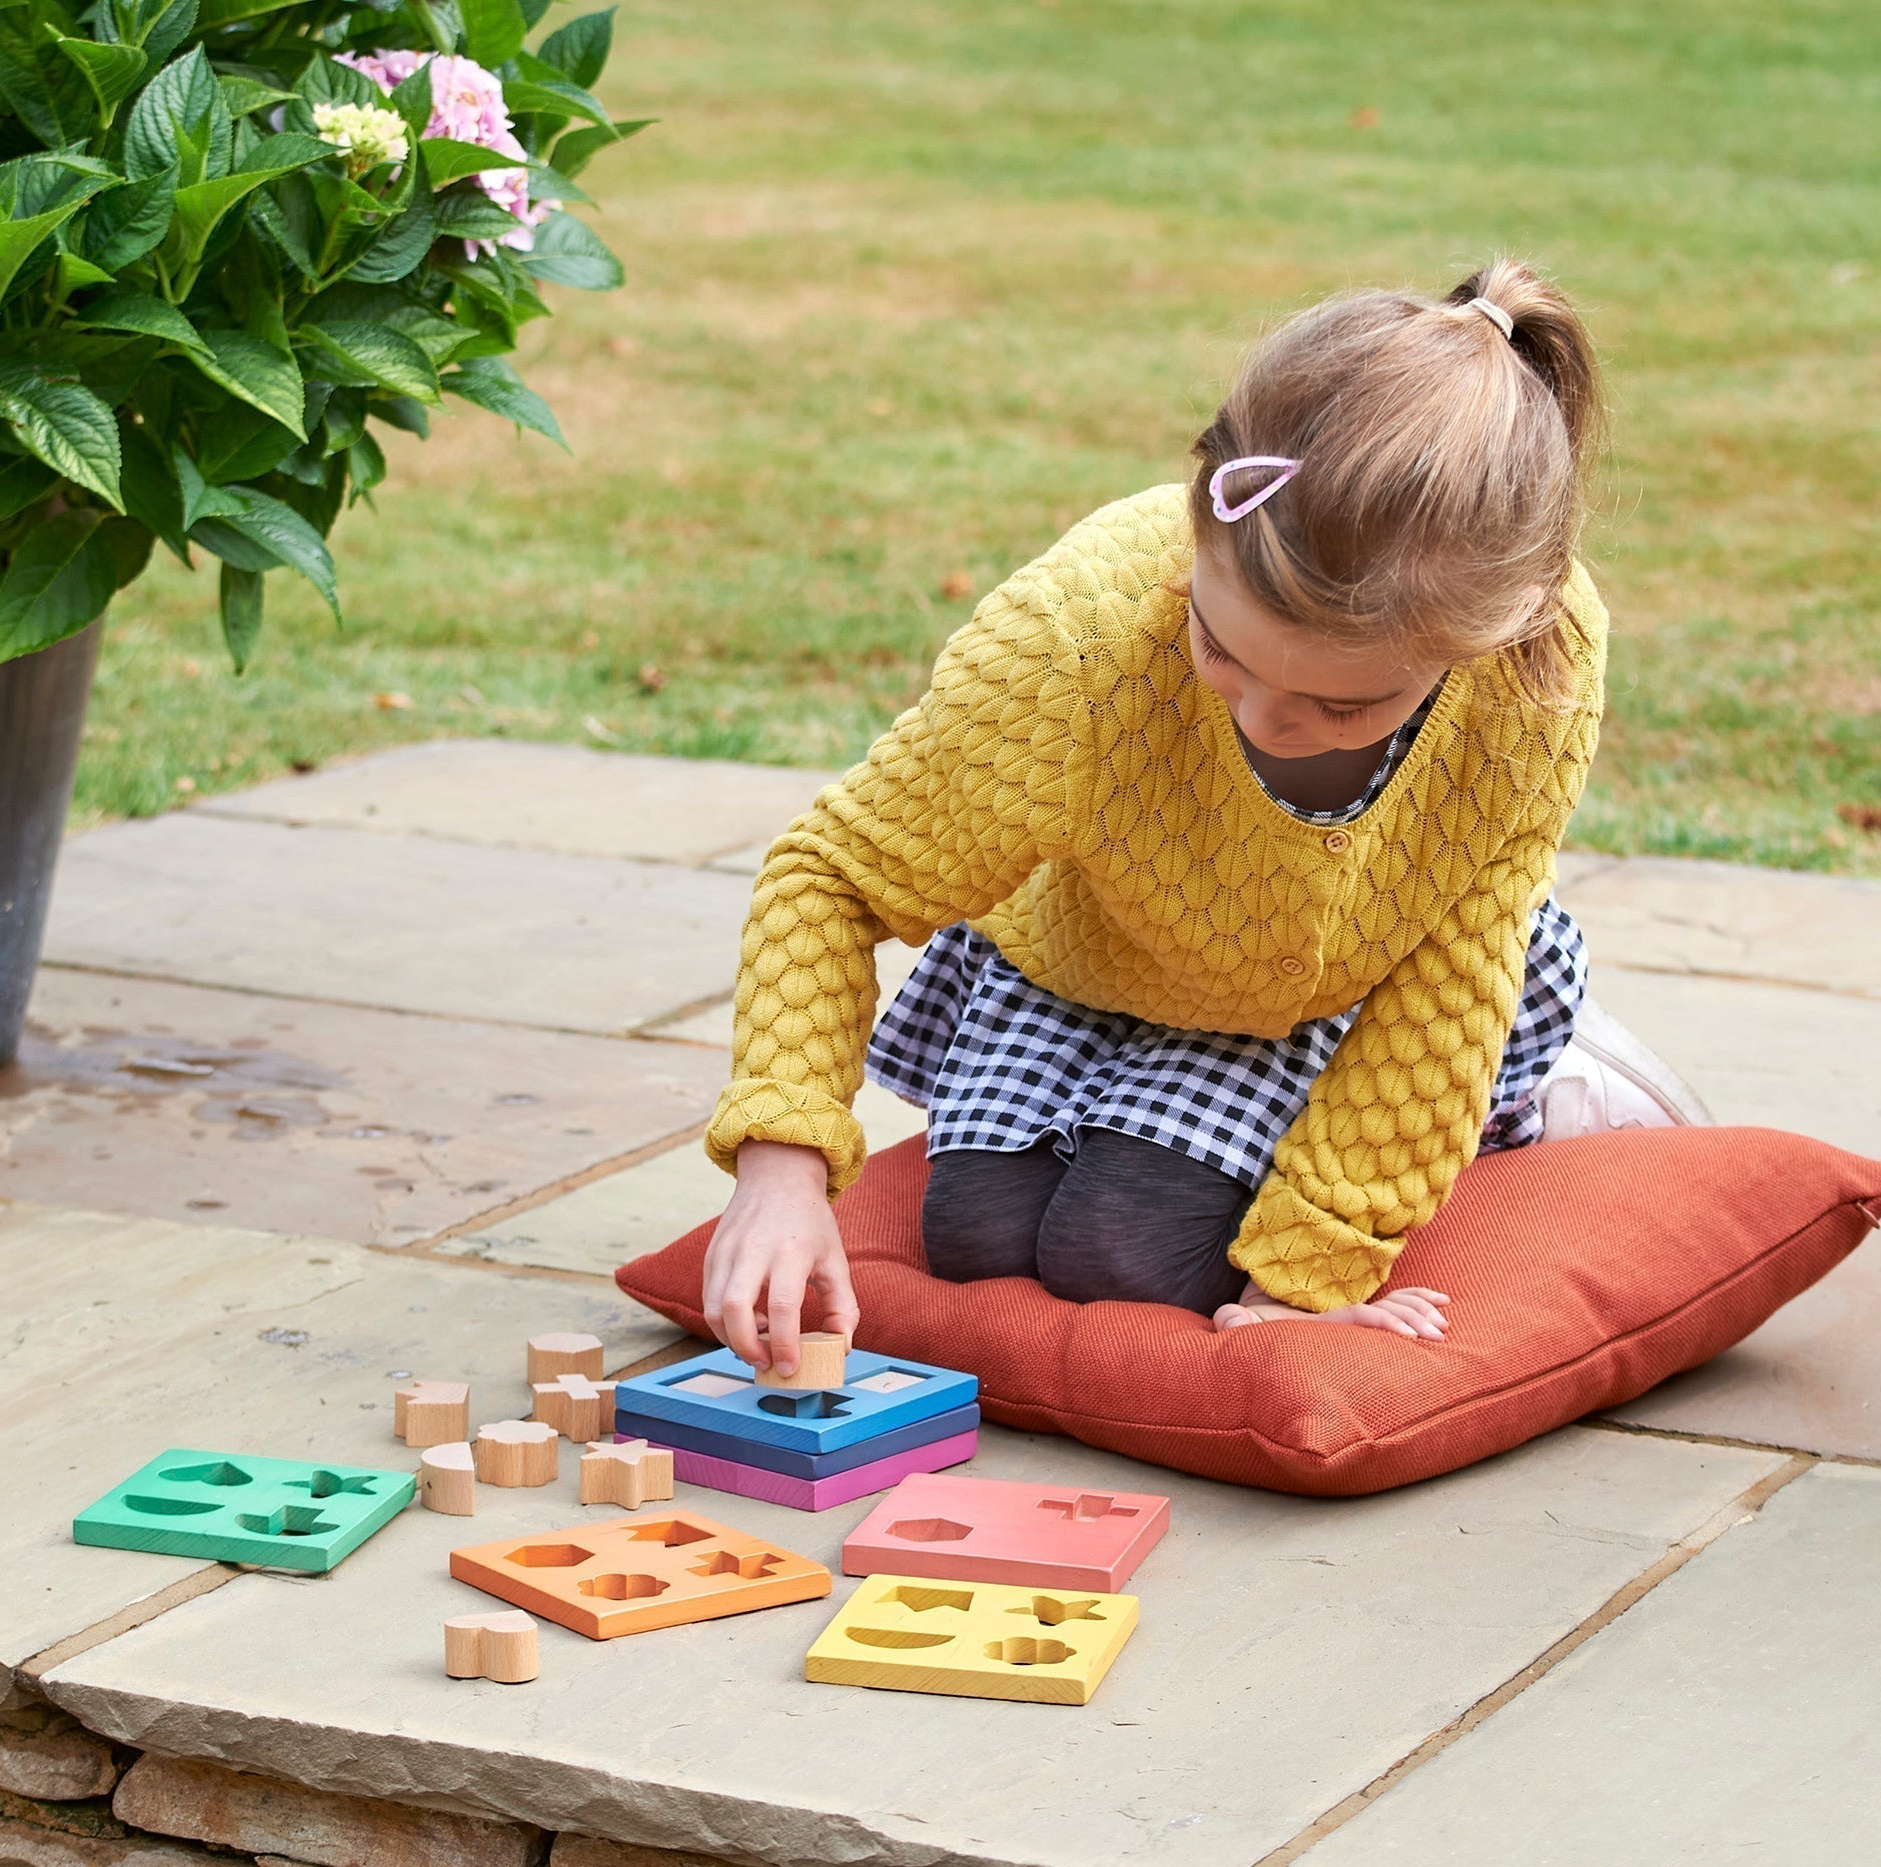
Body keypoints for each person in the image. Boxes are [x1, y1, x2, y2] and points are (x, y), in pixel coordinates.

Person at [700, 259, 1710, 1374]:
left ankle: (1547, 1084)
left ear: (1489, 633)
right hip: (1099, 959)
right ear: (1198, 527)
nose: (1269, 721)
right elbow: (832, 876)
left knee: (1126, 1252)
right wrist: (782, 1165)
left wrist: (1303, 1280)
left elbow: (1451, 974)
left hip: (1350, 981)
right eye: (1221, 652)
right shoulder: (1072, 641)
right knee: (978, 1241)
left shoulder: (1537, 662)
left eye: (1343, 703)